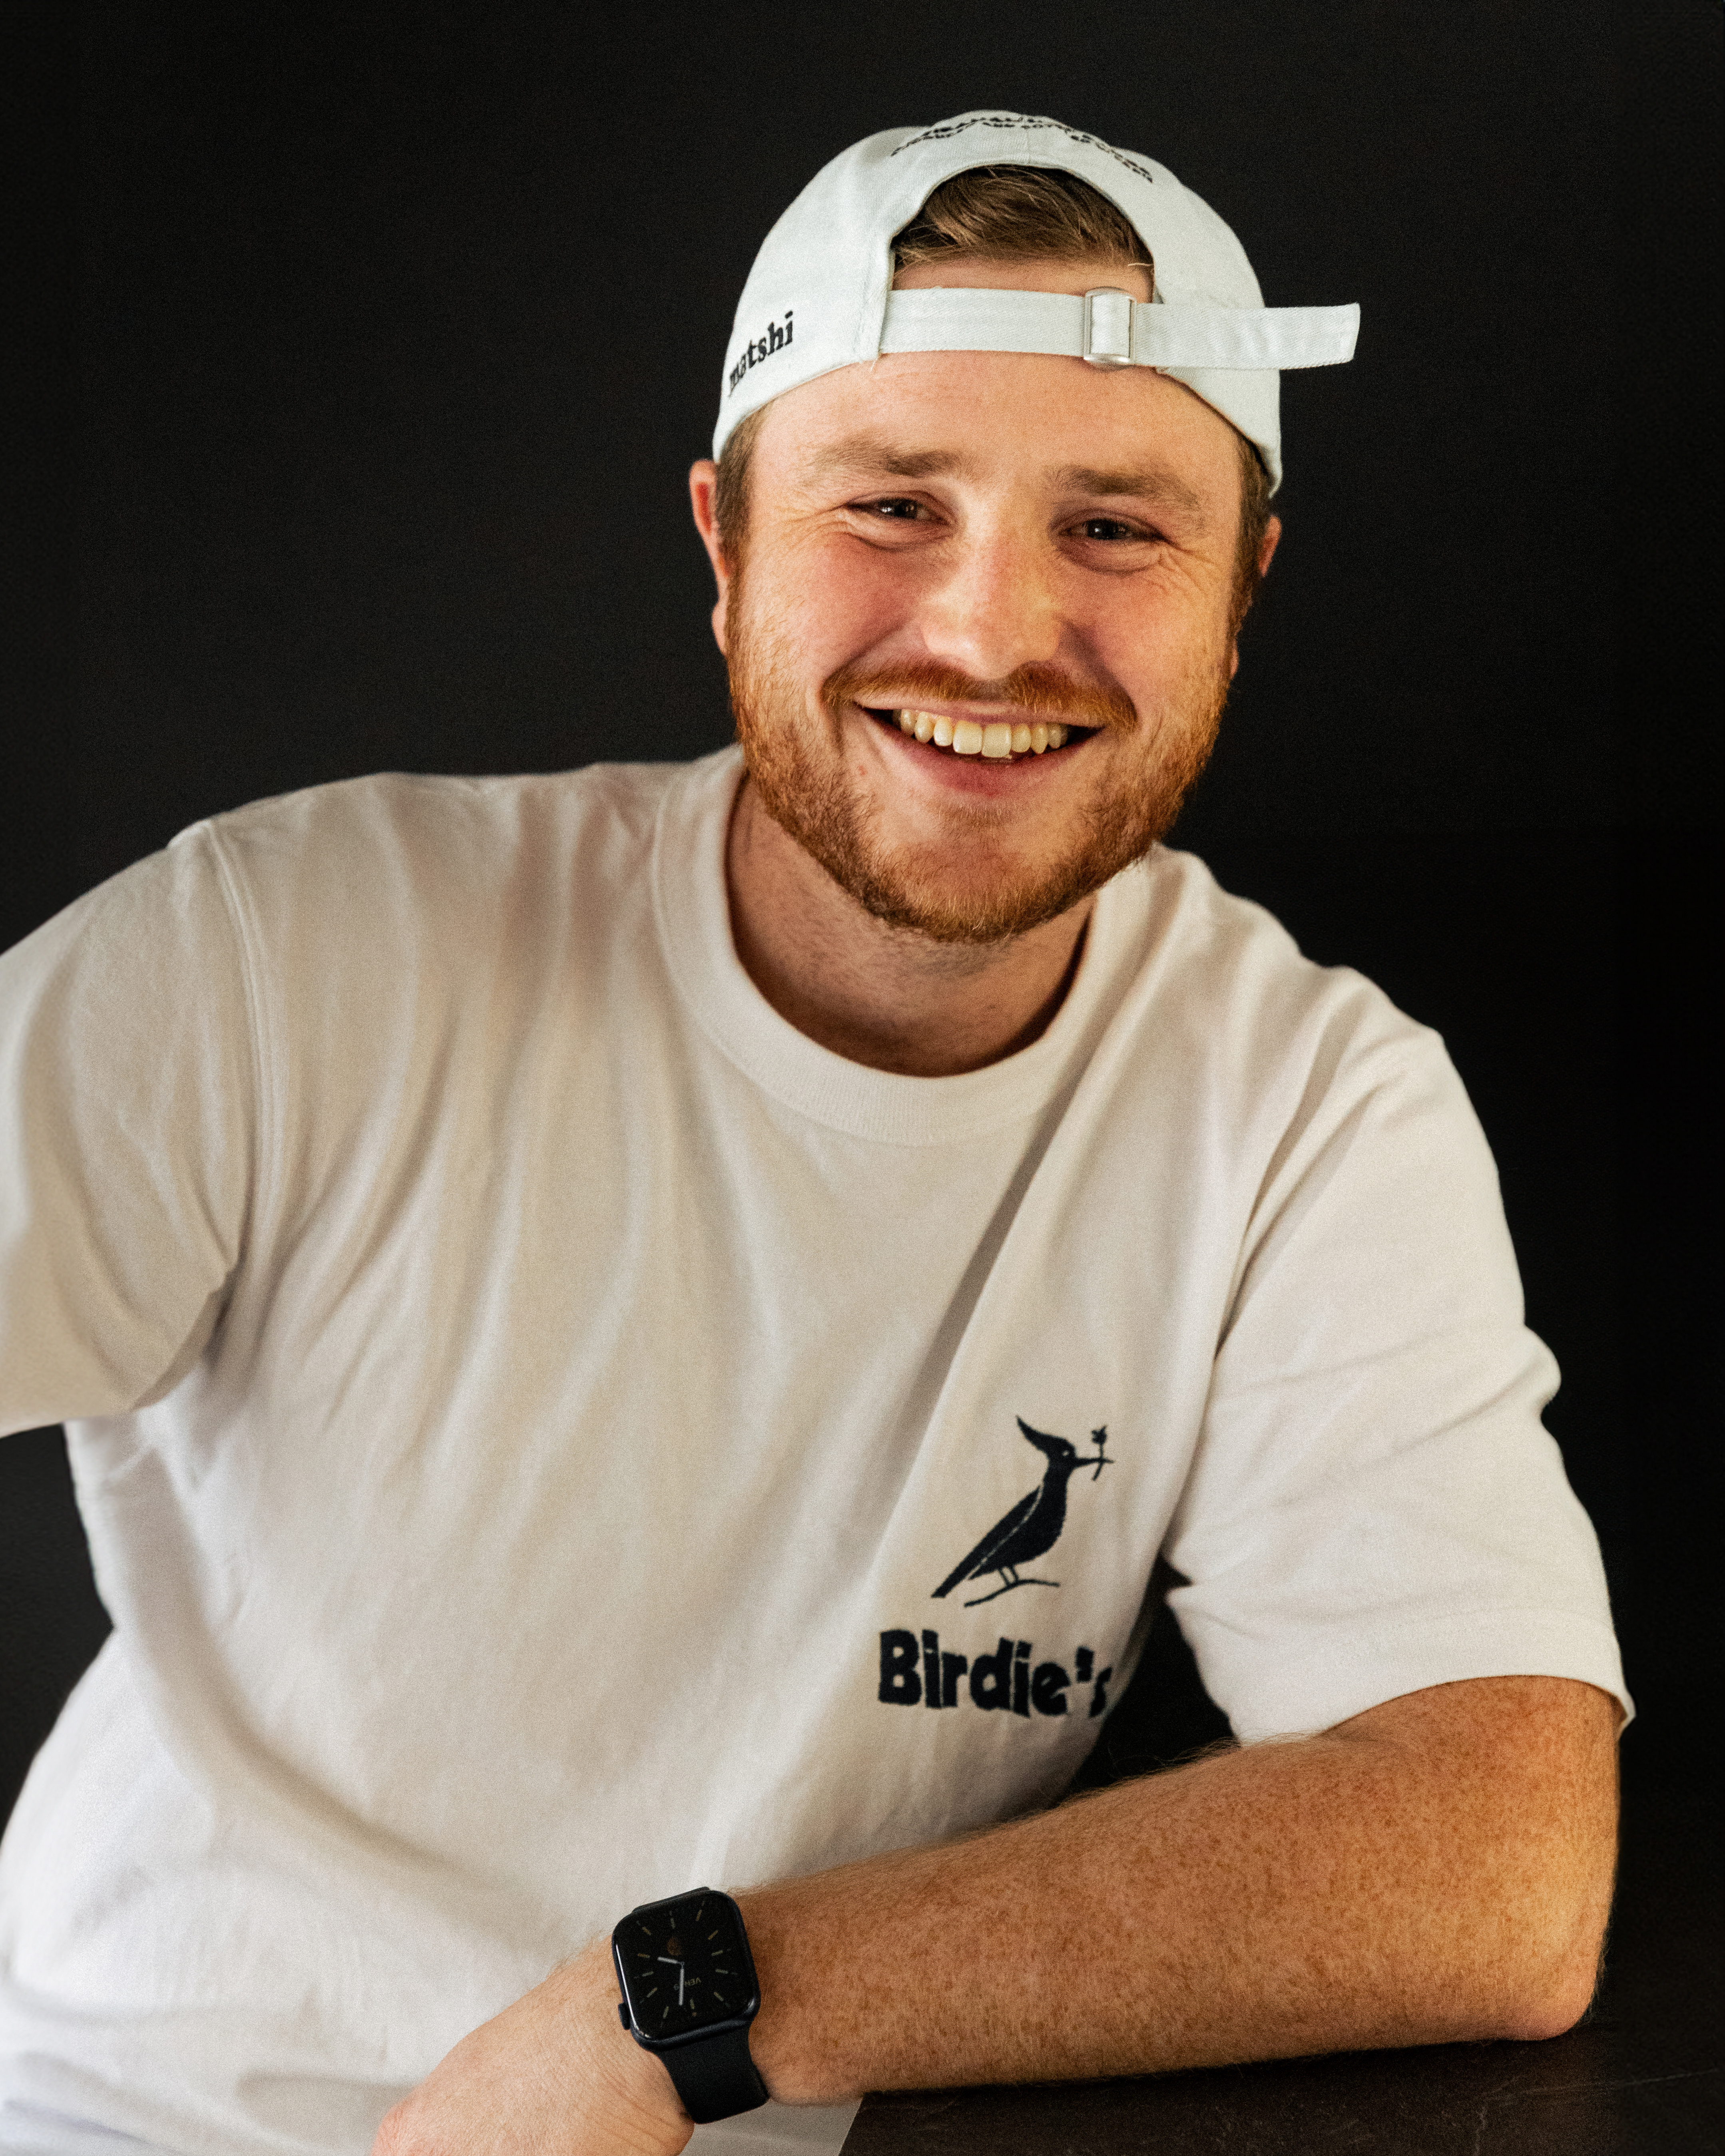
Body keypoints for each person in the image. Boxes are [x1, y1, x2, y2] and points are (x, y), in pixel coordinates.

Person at [0, 113, 1626, 2156]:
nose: (987, 630)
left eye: (1113, 528)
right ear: (722, 543)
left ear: (1246, 586)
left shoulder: (1300, 1108)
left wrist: (667, 2008)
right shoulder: (281, 954)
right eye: (891, 503)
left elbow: (1494, 1853)